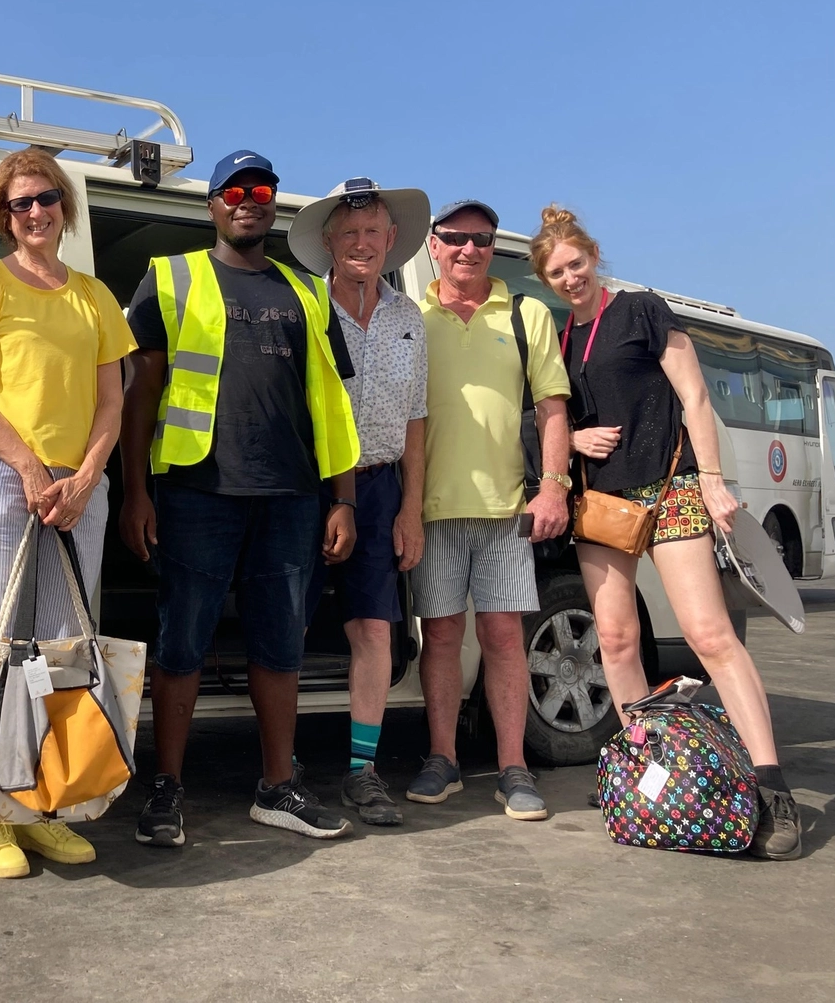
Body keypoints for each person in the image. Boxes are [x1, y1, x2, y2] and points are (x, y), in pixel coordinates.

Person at [531, 205, 801, 859]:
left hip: (671, 484)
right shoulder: (562, 341)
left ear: (593, 256)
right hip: (605, 500)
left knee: (710, 635)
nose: (570, 278)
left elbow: (696, 396)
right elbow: (549, 416)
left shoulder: (643, 310)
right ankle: (644, 768)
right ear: (545, 280)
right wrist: (577, 438)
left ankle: (772, 788)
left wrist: (711, 478)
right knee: (617, 641)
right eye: (557, 273)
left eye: (576, 264)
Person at [120, 150, 361, 848]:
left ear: (274, 203)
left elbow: (333, 405)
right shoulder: (171, 276)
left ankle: (277, 786)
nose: (248, 198)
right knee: (181, 643)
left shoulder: (309, 291)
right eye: (234, 189)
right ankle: (166, 787)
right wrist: (136, 490)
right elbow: (142, 394)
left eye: (261, 188)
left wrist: (341, 498)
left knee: (280, 644)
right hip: (197, 488)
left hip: (290, 495)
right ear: (214, 205)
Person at [0, 148, 137, 878]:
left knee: (59, 652)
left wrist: (85, 475)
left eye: (47, 197)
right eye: (21, 202)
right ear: (4, 215)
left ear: (63, 206)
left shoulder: (95, 296)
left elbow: (111, 400)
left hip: (76, 489)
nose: (36, 211)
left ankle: (44, 803)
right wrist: (27, 463)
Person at [406, 199, 571, 821]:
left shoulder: (527, 313)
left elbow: (554, 407)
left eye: (481, 239)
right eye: (455, 238)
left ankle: (513, 768)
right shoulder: (410, 315)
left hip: (505, 508)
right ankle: (442, 759)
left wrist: (552, 486)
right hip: (431, 505)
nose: (468, 250)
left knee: (503, 637)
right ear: (433, 245)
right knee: (442, 636)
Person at [288, 177, 431, 827]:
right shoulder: (303, 308)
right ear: (328, 243)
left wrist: (411, 509)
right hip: (307, 484)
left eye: (374, 232)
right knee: (283, 622)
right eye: (350, 234)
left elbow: (417, 421)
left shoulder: (409, 320)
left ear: (392, 240)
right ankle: (279, 764)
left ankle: (361, 770)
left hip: (380, 487)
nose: (363, 244)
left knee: (375, 629)